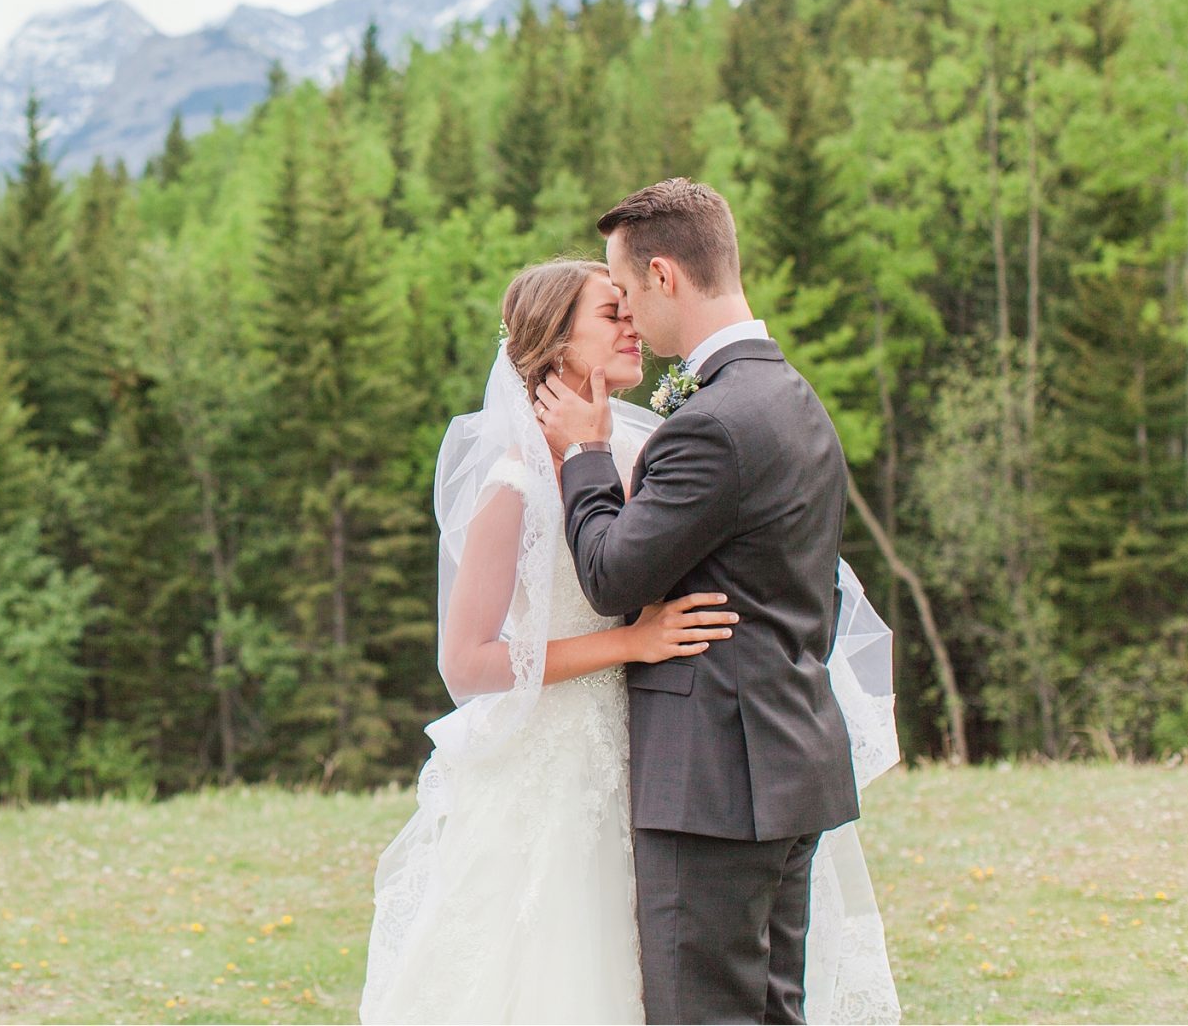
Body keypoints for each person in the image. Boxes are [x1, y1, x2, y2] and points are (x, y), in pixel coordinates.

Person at [361, 183, 898, 1025]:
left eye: (627, 304)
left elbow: (623, 566)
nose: (631, 326)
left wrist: (589, 456)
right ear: (552, 342)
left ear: (661, 275)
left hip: (678, 768)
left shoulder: (654, 438)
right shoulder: (517, 479)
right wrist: (632, 644)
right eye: (607, 314)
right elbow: (466, 663)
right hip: (602, 765)